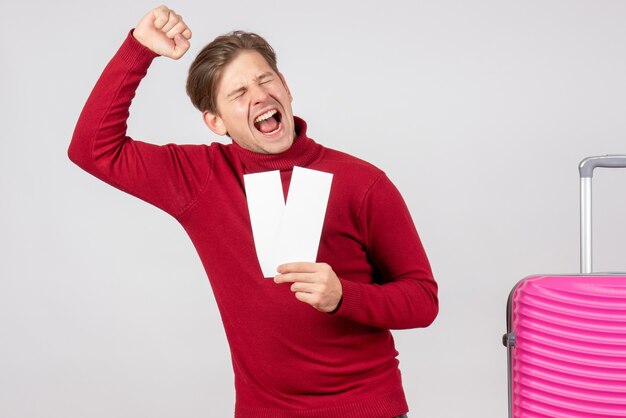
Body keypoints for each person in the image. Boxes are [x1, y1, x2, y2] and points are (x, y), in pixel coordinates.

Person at [69, 6, 438, 418]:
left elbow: (423, 300)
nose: (259, 95)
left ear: (286, 87)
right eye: (238, 93)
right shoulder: (200, 179)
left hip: (367, 408)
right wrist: (138, 50)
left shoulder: (363, 183)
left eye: (265, 80)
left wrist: (343, 296)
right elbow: (92, 149)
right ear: (215, 121)